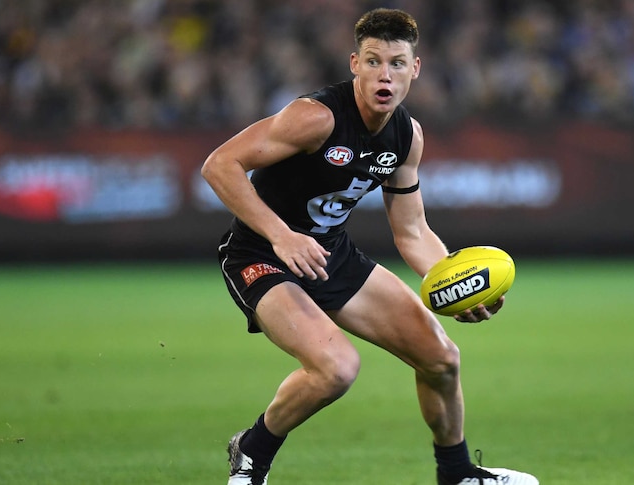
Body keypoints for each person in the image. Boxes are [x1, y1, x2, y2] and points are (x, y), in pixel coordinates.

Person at [201, 8, 538, 485]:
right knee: (335, 369)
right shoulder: (314, 117)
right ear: (354, 64)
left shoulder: (406, 136)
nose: (386, 74)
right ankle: (251, 455)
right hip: (262, 255)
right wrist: (281, 234)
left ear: (414, 69)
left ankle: (458, 475)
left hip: (330, 257)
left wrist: (453, 282)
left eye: (397, 63)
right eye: (375, 61)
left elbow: (412, 231)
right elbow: (219, 165)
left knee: (441, 359)